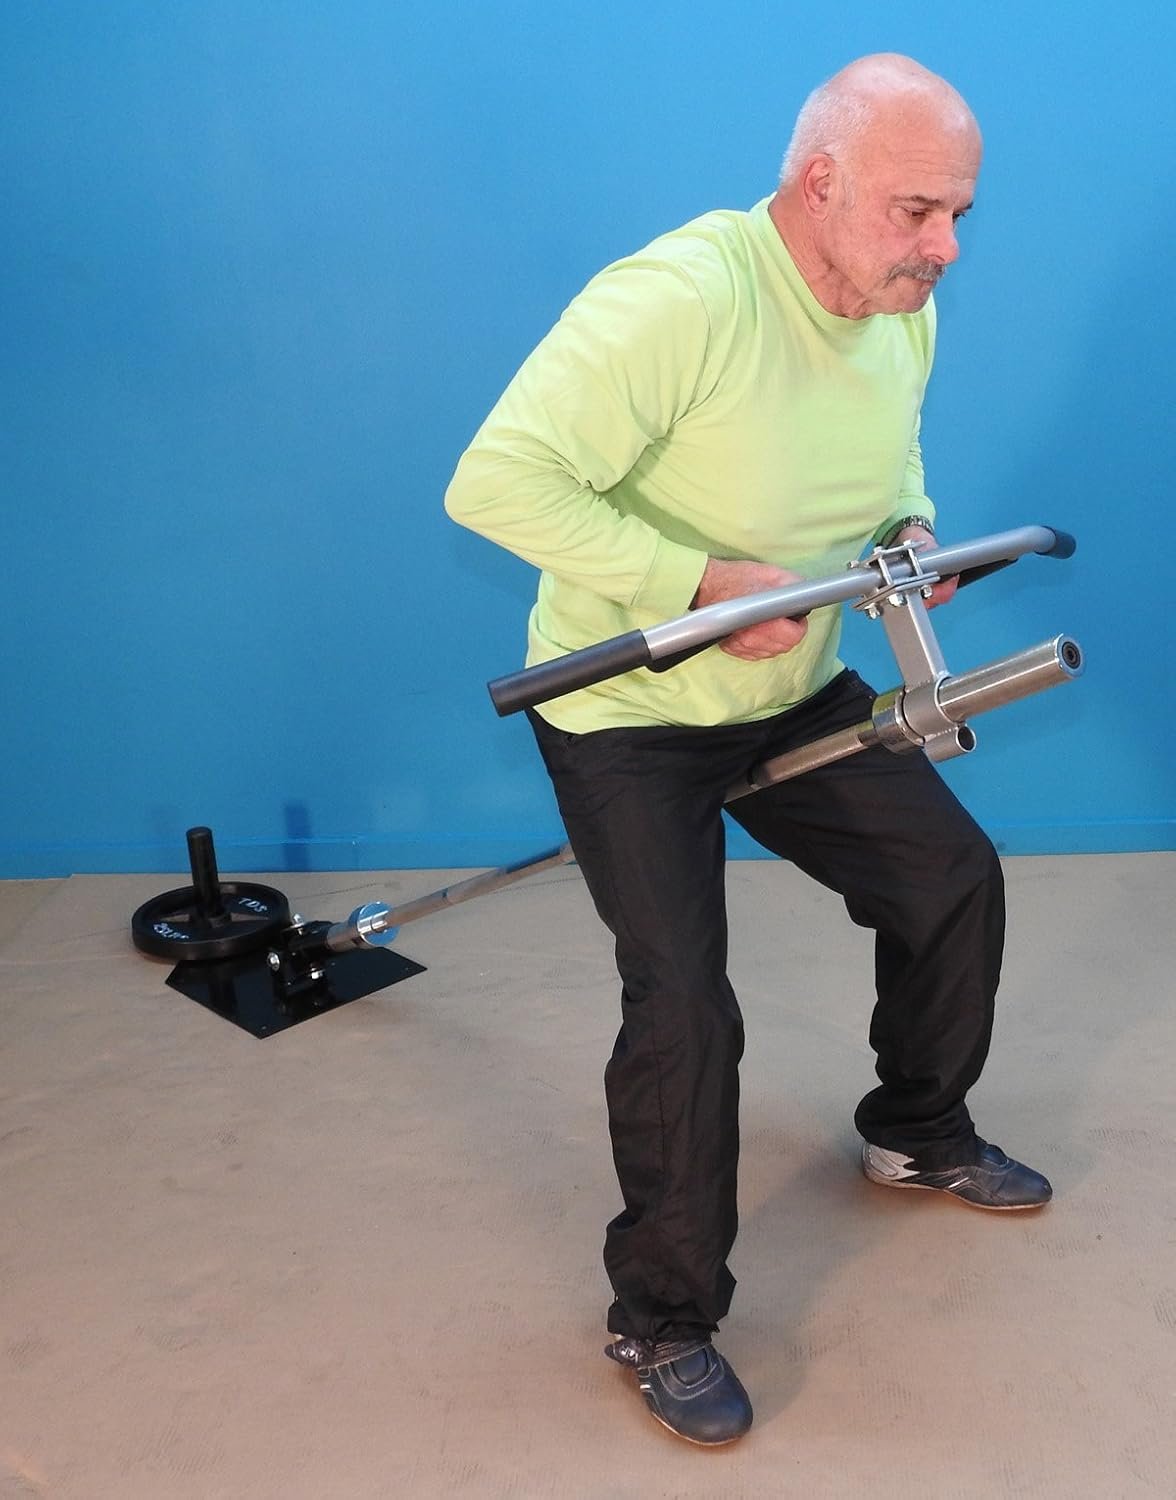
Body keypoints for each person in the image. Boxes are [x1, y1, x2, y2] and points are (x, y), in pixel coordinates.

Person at [444, 53, 1051, 1448]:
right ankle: (661, 1316)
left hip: (794, 688)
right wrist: (699, 584)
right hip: (630, 711)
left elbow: (889, 466)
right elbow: (496, 480)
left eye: (958, 215)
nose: (945, 249)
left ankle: (915, 1128)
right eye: (917, 212)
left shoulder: (898, 311)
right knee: (684, 1008)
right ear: (820, 183)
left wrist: (907, 536)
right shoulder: (682, 298)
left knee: (952, 880)